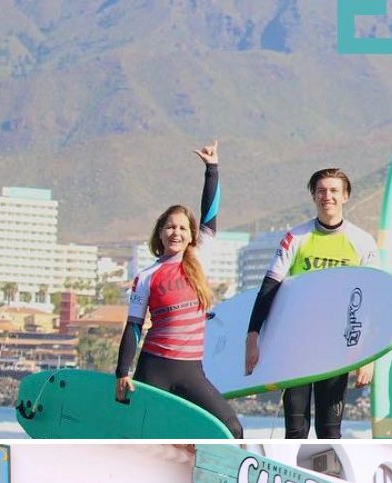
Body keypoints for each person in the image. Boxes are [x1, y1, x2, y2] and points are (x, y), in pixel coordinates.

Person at [115, 141, 244, 438]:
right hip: (153, 369)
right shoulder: (147, 276)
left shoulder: (200, 257)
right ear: (160, 233)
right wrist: (123, 372)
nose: (176, 232)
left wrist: (212, 169)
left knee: (232, 428)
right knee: (144, 437)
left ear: (191, 235)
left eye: (183, 228)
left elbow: (209, 212)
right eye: (170, 227)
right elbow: (134, 326)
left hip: (190, 370)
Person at [245, 167, 377, 439]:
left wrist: (368, 357)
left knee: (330, 431)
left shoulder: (362, 242)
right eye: (321, 190)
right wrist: (252, 335)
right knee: (295, 430)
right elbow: (269, 288)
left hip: (336, 347)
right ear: (313, 196)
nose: (326, 196)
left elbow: (372, 302)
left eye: (333, 191)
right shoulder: (296, 237)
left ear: (346, 196)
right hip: (296, 346)